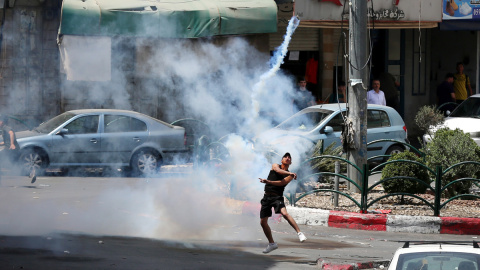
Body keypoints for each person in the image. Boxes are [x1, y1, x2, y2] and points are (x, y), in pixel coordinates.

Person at [259, 152, 307, 254]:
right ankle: (272, 244)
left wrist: (269, 182)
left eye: (289, 157)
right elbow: (278, 170)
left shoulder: (290, 176)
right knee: (263, 222)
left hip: (277, 197)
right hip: (267, 197)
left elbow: (282, 183)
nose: (287, 158)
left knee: (285, 213)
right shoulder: (275, 166)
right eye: (285, 157)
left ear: (291, 162)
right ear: (282, 160)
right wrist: (289, 173)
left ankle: (300, 233)